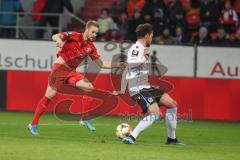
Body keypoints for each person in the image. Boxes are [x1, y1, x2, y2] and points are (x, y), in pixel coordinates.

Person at [28, 21, 125, 135]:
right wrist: (59, 40)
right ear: (87, 30)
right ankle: (33, 124)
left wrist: (118, 64)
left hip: (71, 72)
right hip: (59, 69)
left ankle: (84, 119)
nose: (94, 35)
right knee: (49, 96)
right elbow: (56, 36)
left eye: (96, 33)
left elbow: (101, 63)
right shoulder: (74, 35)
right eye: (93, 32)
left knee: (89, 87)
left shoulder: (91, 47)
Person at [111, 23, 185, 145]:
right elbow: (132, 65)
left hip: (146, 87)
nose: (152, 38)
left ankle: (171, 139)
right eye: (151, 35)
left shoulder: (142, 49)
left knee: (172, 104)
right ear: (146, 35)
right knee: (156, 114)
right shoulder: (136, 48)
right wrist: (145, 58)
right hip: (137, 89)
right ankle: (131, 137)